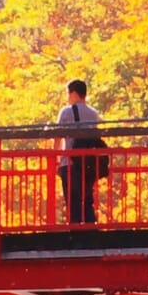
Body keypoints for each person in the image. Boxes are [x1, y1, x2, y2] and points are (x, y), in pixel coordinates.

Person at [55, 78, 108, 224]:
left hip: (70, 162)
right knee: (87, 199)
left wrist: (57, 158)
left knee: (73, 201)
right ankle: (90, 229)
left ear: (74, 94)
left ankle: (75, 231)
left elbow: (57, 136)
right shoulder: (93, 113)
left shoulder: (66, 112)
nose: (67, 97)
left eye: (68, 93)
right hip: (88, 163)